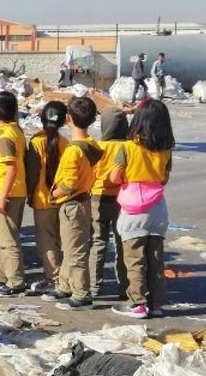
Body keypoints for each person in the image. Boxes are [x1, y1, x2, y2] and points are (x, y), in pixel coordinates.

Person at [111, 100, 175, 319]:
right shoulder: (166, 151)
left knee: (135, 259)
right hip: (157, 209)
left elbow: (114, 177)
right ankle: (156, 304)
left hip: (132, 212)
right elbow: (164, 179)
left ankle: (137, 304)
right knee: (156, 260)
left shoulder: (127, 148)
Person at [47, 96, 102, 311]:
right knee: (71, 247)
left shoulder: (73, 150)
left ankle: (81, 292)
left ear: (68, 119)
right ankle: (65, 285)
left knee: (75, 250)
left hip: (71, 203)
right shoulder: (91, 145)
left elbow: (68, 184)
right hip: (83, 199)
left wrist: (54, 195)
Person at [0, 91, 30, 297]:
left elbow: (11, 168)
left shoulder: (5, 137)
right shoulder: (15, 131)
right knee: (4, 235)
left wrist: (2, 197)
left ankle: (16, 281)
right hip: (16, 191)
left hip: (8, 192)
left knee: (7, 239)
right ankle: (0, 275)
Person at [25, 101, 68, 295]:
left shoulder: (36, 142)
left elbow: (32, 173)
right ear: (64, 121)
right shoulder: (65, 143)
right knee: (59, 239)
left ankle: (53, 277)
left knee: (47, 241)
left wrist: (30, 194)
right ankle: (63, 276)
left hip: (43, 199)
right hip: (62, 198)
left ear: (42, 118)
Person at [89, 108, 130, 300]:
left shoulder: (98, 147)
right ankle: (125, 286)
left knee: (98, 241)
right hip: (123, 198)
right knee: (122, 243)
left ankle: (94, 286)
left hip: (99, 197)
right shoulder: (129, 147)